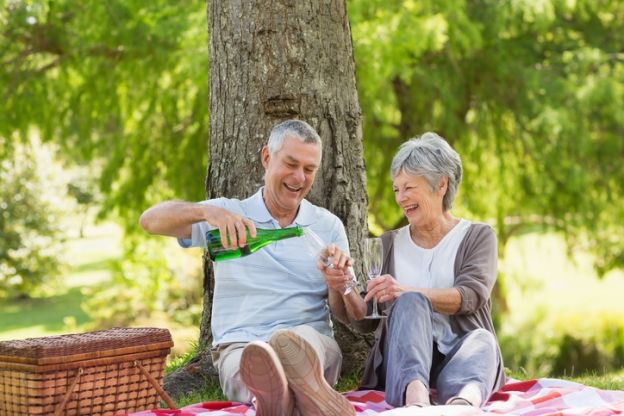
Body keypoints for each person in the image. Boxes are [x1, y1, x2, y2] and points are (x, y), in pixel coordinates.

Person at [139, 119, 356, 416]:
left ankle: (275, 399)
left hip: (310, 340)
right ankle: (290, 396)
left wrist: (336, 283)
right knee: (252, 364)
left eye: (309, 169)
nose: (299, 177)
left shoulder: (327, 225)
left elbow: (344, 315)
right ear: (267, 158)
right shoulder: (230, 215)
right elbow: (149, 221)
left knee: (301, 343)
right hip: (243, 343)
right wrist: (205, 210)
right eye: (291, 164)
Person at [333, 132, 505, 409]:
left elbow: (471, 296)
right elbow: (366, 320)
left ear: (441, 185)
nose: (401, 198)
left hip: (459, 360)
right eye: (396, 189)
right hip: (404, 367)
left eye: (409, 188)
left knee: (484, 340)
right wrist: (343, 286)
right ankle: (416, 404)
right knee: (410, 303)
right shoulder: (390, 243)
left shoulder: (478, 236)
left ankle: (463, 406)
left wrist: (405, 290)